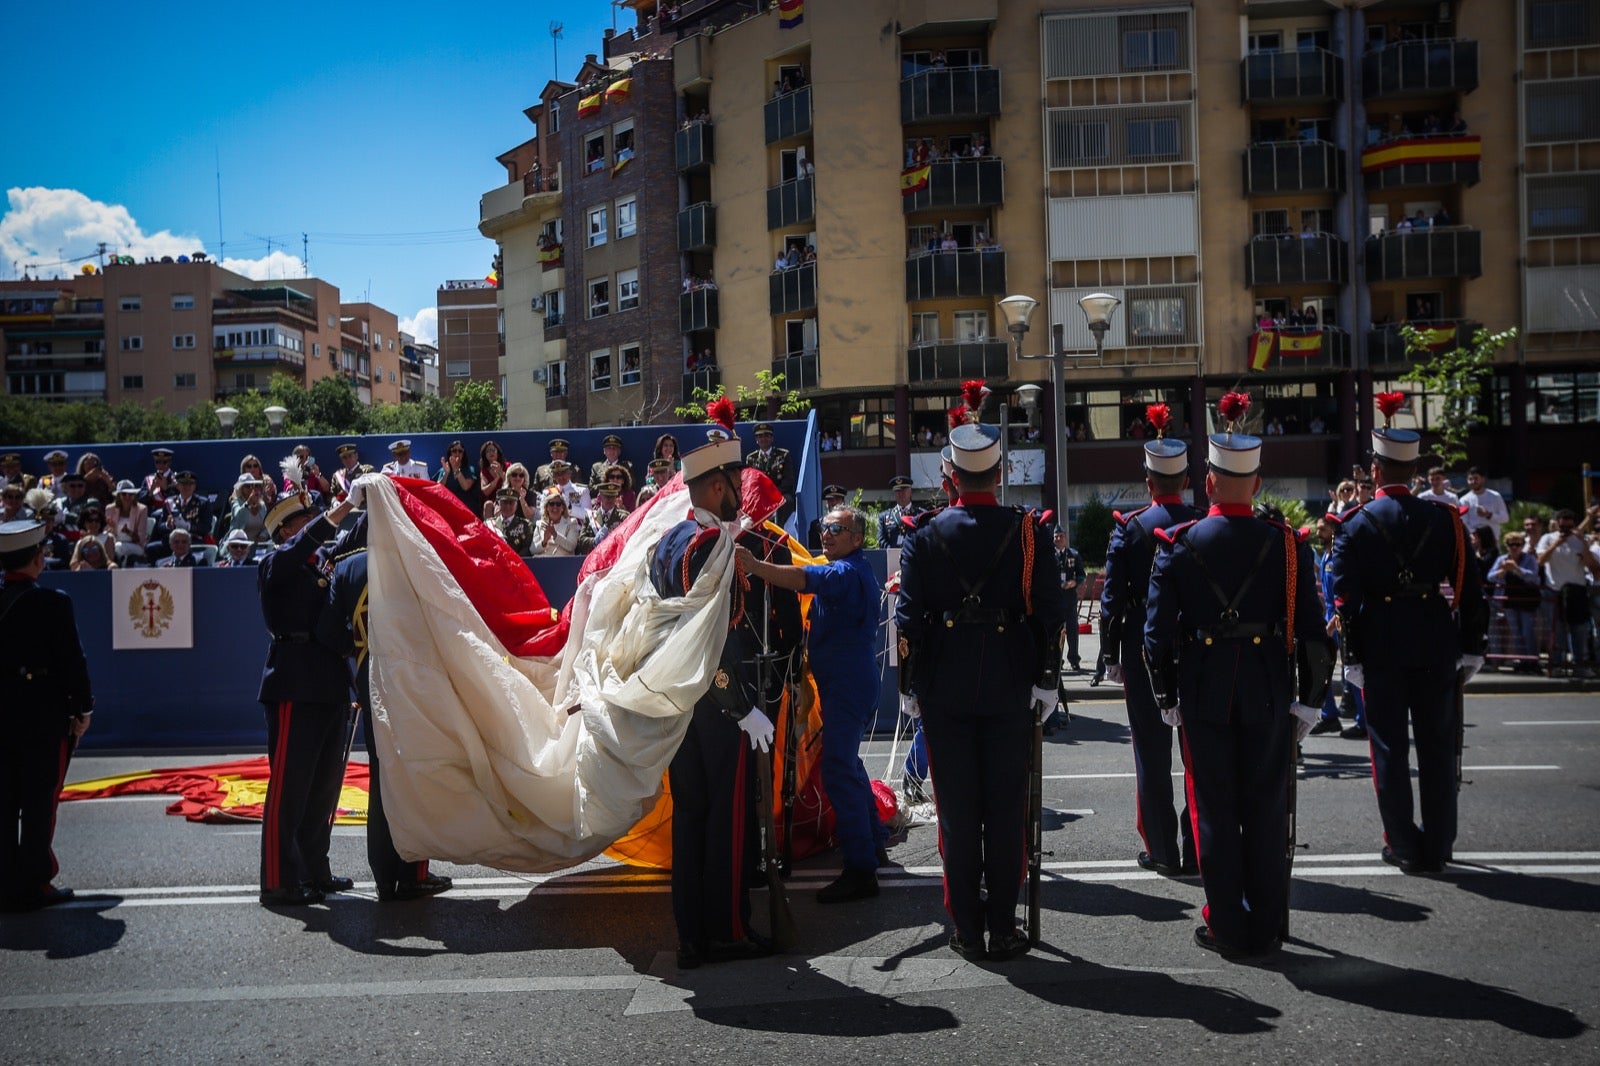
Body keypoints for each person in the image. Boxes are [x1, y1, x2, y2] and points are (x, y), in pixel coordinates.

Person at [1145, 394, 1330, 958]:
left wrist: (1166, 694)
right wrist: (1311, 700)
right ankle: (1268, 924)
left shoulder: (1177, 545)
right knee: (1267, 810)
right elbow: (1314, 632)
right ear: (1255, 483)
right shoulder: (1288, 545)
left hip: (1203, 693)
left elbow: (1156, 634)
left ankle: (1227, 923)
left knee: (1214, 812)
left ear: (1208, 482)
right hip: (1271, 692)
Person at [894, 422, 1067, 962]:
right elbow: (1049, 611)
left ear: (949, 475)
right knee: (1007, 808)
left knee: (959, 814)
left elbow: (908, 620)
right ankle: (1004, 927)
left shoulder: (922, 535)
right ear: (999, 473)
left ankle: (967, 927)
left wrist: (908, 686)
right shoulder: (1026, 531)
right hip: (1009, 683)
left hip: (945, 685)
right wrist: (1047, 678)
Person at [650, 415, 799, 968]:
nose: (743, 493)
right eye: (737, 483)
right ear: (718, 486)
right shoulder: (710, 544)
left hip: (681, 706)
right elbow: (711, 641)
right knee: (727, 821)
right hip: (720, 707)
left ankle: (693, 932)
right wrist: (742, 709)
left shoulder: (668, 542)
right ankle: (727, 930)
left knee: (691, 818)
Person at [1329, 396, 1489, 875]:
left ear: (1375, 471)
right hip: (1436, 640)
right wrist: (1473, 647)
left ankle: (1402, 843)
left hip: (1380, 643)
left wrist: (1350, 655)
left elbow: (1344, 598)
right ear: (1415, 470)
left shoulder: (1353, 525)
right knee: (1439, 747)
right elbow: (1468, 586)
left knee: (1389, 750)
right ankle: (1439, 845)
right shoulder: (1445, 520)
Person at [737, 503, 885, 904]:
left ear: (857, 539)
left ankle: (861, 869)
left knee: (838, 770)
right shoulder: (852, 568)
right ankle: (874, 842)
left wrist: (754, 564)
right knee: (849, 764)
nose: (827, 534)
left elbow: (804, 578)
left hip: (846, 685)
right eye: (825, 527)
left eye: (837, 529)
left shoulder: (845, 572)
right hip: (847, 682)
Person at [315, 511, 453, 903]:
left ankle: (383, 876)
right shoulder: (412, 561)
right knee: (414, 775)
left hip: (368, 677)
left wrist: (359, 648)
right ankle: (411, 873)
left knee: (381, 777)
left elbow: (327, 631)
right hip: (411, 682)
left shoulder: (345, 568)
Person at [1099, 404, 1204, 875]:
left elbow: (1112, 599)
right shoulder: (1202, 523)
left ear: (1149, 482)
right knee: (1198, 752)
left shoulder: (1131, 526)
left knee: (1152, 752)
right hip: (1198, 648)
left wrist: (1108, 654)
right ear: (1184, 480)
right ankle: (1199, 841)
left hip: (1143, 648)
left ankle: (1163, 849)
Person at [255, 480, 364, 906]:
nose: (319, 527)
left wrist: (371, 502)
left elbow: (349, 540)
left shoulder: (322, 563)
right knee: (290, 787)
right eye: (306, 521)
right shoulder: (275, 564)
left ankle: (315, 870)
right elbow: (307, 545)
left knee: (324, 787)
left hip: (330, 679)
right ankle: (280, 879)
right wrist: (340, 508)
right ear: (287, 530)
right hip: (294, 680)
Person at [0, 519, 94, 911]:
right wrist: (82, 709)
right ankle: (35, 882)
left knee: (3, 803)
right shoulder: (53, 603)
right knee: (40, 804)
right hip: (42, 718)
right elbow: (72, 661)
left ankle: (5, 882)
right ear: (38, 559)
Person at [1535, 509, 1600, 677]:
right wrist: (1555, 544)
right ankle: (1556, 664)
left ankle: (1580, 665)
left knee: (1579, 631)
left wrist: (1584, 547)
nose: (1565, 530)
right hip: (1554, 591)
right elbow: (1540, 561)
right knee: (1556, 631)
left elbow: (1594, 570)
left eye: (1569, 526)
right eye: (1562, 526)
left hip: (1577, 590)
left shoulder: (1580, 540)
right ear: (1557, 523)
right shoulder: (1547, 539)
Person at [1490, 531, 1541, 669]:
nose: (1514, 547)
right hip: (1509, 601)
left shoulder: (1529, 559)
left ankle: (1532, 661)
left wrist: (1517, 569)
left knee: (1527, 631)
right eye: (1511, 544)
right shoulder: (1502, 559)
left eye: (1518, 544)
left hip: (1526, 601)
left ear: (1522, 545)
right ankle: (1522, 661)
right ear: (1507, 546)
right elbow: (1490, 577)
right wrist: (1502, 571)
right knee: (1516, 632)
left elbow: (1534, 577)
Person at [744, 424, 793, 523]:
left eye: (767, 435)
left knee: (787, 500)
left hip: (778, 494)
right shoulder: (751, 458)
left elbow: (788, 480)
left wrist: (772, 494)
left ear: (771, 438)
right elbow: (748, 483)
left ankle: (780, 531)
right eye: (760, 436)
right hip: (759, 497)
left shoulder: (783, 455)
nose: (763, 439)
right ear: (756, 440)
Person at [1054, 528, 1086, 675]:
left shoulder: (1073, 554)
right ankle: (1056, 660)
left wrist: (1074, 582)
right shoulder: (1049, 555)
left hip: (1069, 598)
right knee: (1055, 631)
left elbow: (1081, 574)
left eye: (1061, 536)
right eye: (1056, 537)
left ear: (1065, 538)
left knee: (1072, 629)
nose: (1059, 539)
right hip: (1054, 599)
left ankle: (1074, 659)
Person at [1459, 467, 1508, 547]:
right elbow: (1463, 521)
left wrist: (1489, 515)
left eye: (1476, 478)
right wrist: (1474, 535)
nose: (1473, 482)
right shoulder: (1464, 500)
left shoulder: (1495, 496)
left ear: (1483, 479)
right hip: (1474, 541)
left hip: (1493, 539)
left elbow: (1505, 518)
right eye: (1470, 479)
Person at [105, 480, 150, 565]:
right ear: (119, 496)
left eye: (131, 494)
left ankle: (112, 567)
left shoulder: (141, 510)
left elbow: (140, 539)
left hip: (135, 545)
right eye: (124, 494)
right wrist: (111, 527)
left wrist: (128, 532)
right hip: (114, 543)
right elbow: (108, 535)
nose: (127, 497)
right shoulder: (110, 509)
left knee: (118, 548)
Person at [876, 475, 923, 550]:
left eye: (904, 490)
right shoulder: (884, 517)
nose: (901, 494)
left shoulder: (921, 514)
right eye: (898, 491)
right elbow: (881, 540)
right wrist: (893, 552)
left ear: (910, 492)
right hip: (893, 558)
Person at [530, 491, 583, 556]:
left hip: (562, 563)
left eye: (558, 504)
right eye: (552, 504)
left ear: (563, 508)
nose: (555, 507)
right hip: (542, 562)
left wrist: (555, 534)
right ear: (547, 508)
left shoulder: (572, 523)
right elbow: (532, 549)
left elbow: (571, 547)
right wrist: (544, 541)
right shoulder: (540, 524)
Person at [488, 488, 534, 554]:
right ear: (499, 504)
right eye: (504, 502)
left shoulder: (525, 525)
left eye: (511, 503)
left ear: (516, 505)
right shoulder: (489, 524)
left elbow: (526, 548)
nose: (507, 506)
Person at [807, 485, 847, 552]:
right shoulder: (816, 524)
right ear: (826, 503)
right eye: (830, 500)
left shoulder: (849, 523)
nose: (834, 503)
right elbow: (814, 551)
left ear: (843, 502)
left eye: (837, 499)